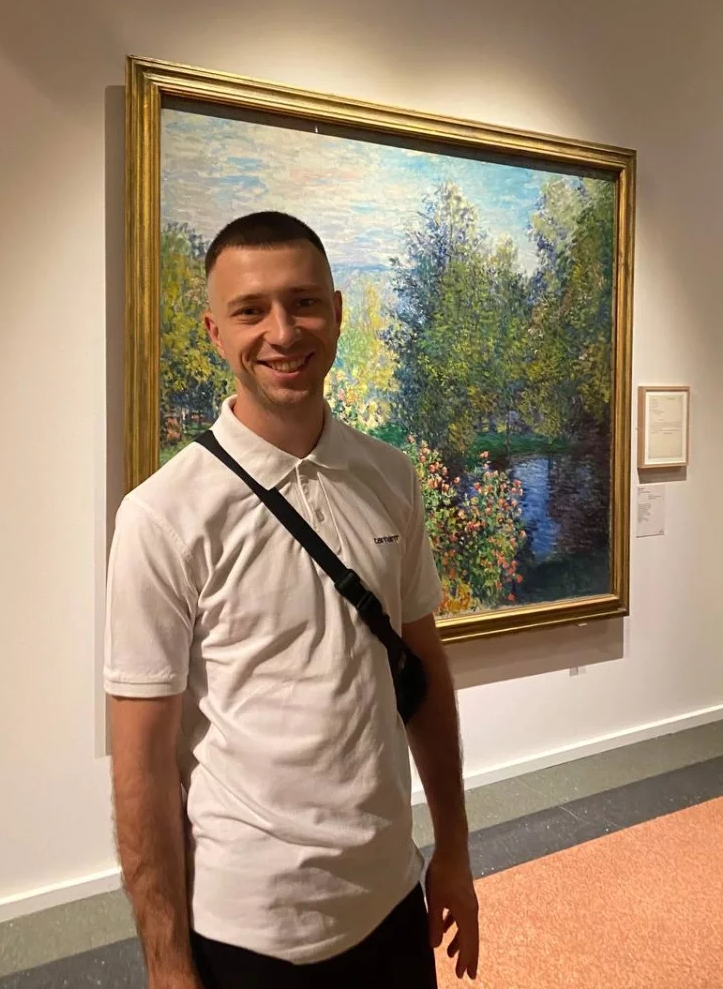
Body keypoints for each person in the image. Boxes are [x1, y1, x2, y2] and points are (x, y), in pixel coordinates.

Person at [105, 211, 479, 988]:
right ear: (215, 332)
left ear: (336, 312)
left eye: (303, 302)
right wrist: (167, 966)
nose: (282, 331)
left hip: (388, 900)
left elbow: (422, 675)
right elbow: (142, 762)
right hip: (251, 929)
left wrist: (453, 851)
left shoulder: (390, 477)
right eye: (251, 310)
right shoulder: (161, 516)